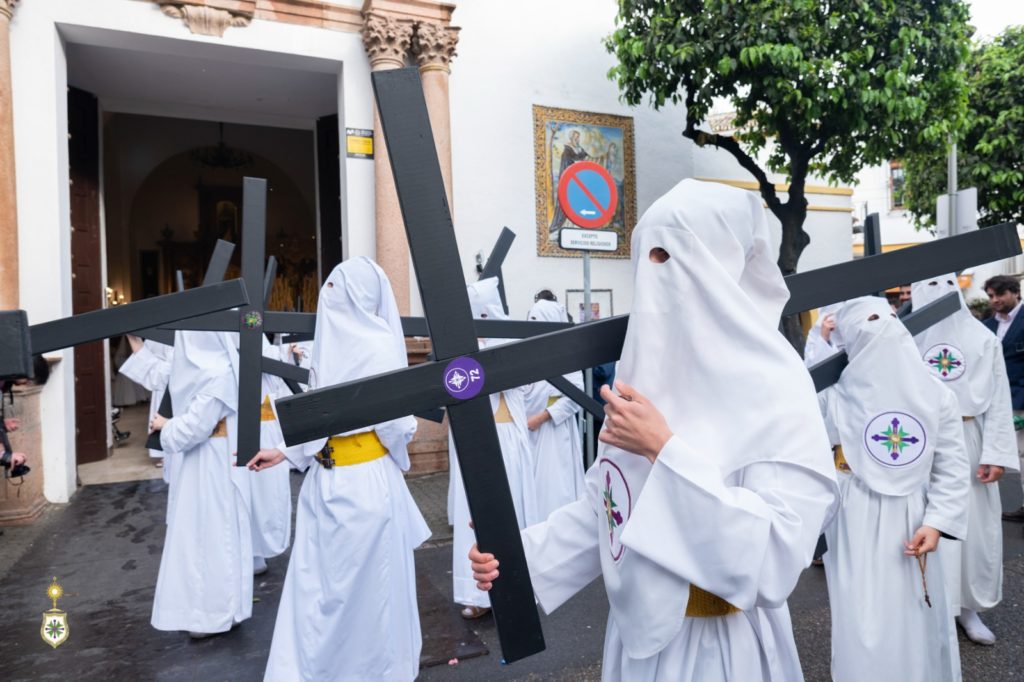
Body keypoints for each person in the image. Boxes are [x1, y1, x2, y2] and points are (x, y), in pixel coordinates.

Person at [470, 179, 838, 680]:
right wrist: (519, 557)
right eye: (645, 256)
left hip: (725, 646)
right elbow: (609, 504)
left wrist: (663, 450)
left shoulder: (775, 383)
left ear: (718, 263)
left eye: (668, 255)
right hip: (636, 641)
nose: (653, 272)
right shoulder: (644, 370)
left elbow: (777, 553)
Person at [248, 257, 430, 681]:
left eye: (336, 289)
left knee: (366, 593)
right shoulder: (328, 344)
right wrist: (286, 452)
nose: (328, 298)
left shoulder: (379, 345)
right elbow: (321, 415)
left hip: (364, 485)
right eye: (326, 289)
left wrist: (389, 447)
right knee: (318, 590)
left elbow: (396, 424)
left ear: (358, 295)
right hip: (323, 484)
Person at [818, 297, 968, 680]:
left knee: (916, 610)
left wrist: (936, 522)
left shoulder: (936, 395)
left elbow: (951, 466)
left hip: (913, 514)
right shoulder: (833, 396)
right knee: (860, 615)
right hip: (853, 512)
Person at [913, 276, 1018, 645]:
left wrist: (995, 453)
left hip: (967, 436)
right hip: (920, 440)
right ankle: (923, 605)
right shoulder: (903, 338)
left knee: (969, 527)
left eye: (942, 282)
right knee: (920, 521)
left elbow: (999, 398)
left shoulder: (982, 339)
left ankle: (966, 607)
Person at [149, 330, 253, 638]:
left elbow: (193, 429)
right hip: (206, 462)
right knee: (206, 535)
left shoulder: (217, 374)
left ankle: (214, 614)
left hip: (214, 466)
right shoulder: (213, 371)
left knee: (212, 536)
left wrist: (165, 427)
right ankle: (218, 610)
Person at [450, 276, 538, 619]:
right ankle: (476, 594)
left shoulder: (509, 341)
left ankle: (519, 585)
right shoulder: (459, 347)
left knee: (513, 510)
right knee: (473, 514)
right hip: (476, 439)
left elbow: (527, 387)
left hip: (510, 439)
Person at [523, 298, 585, 521]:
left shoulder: (565, 355)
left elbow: (575, 395)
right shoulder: (526, 353)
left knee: (556, 485)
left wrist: (541, 417)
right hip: (528, 431)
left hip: (554, 432)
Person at [247, 338, 293, 576]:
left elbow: (269, 355)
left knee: (267, 493)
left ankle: (259, 550)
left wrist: (287, 352)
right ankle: (247, 550)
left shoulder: (254, 327)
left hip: (267, 427)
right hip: (238, 425)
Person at [982, 275, 1024, 522]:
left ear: (1015, 292)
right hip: (993, 401)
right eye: (990, 296)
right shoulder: (985, 326)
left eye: (1000, 294)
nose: (995, 300)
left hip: (1020, 399)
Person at [119, 336, 173, 473]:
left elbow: (163, 374)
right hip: (163, 380)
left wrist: (136, 343)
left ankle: (168, 453)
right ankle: (165, 453)